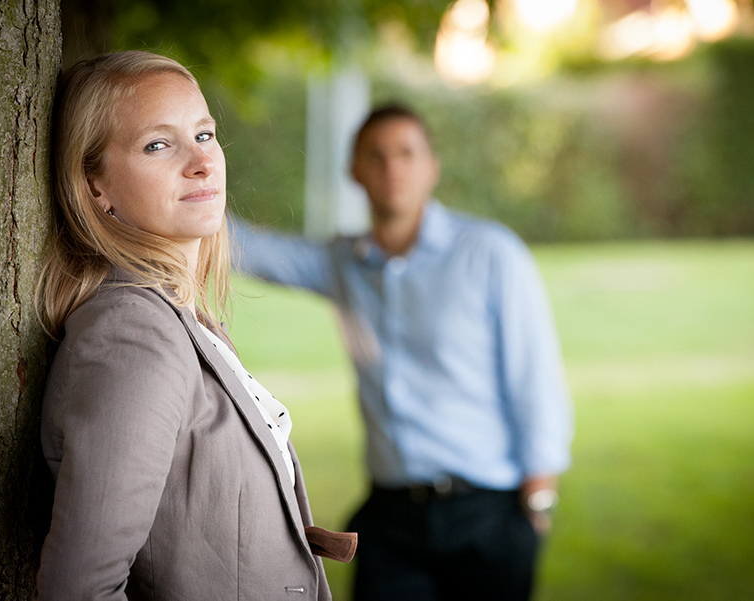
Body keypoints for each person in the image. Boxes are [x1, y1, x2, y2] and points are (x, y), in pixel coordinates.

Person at [33, 51, 354, 601]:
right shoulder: (133, 334)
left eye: (204, 134)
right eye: (158, 144)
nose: (202, 162)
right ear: (95, 187)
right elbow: (79, 590)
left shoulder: (180, 315)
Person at [232, 104, 572, 601]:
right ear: (354, 171)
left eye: (407, 154)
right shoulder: (342, 263)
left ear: (432, 166)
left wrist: (537, 502)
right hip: (390, 521)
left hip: (489, 516)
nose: (393, 168)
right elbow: (248, 248)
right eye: (376, 155)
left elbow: (535, 378)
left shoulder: (490, 253)